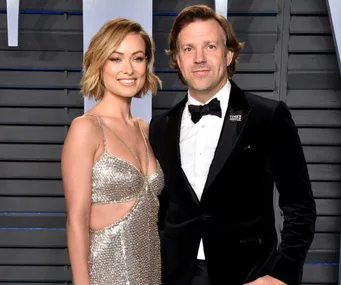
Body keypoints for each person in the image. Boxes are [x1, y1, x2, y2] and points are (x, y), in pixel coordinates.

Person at [149, 5, 316, 285]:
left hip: (249, 275)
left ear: (228, 54)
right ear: (176, 59)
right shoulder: (160, 126)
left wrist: (282, 274)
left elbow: (300, 206)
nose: (199, 58)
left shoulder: (268, 116)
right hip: (177, 275)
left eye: (210, 47)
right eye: (188, 49)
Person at [61, 18, 163, 285]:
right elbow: (76, 219)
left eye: (138, 58)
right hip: (106, 274)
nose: (128, 69)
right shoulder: (86, 129)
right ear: (100, 64)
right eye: (116, 59)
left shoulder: (145, 129)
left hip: (151, 271)